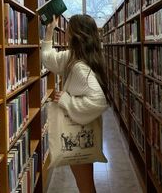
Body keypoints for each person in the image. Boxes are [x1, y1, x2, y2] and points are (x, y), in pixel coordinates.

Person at [41, 14, 108, 193]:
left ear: (76, 35)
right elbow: (49, 59)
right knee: (84, 183)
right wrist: (49, 33)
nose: (66, 34)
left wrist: (66, 101)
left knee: (85, 185)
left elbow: (99, 101)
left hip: (79, 131)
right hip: (82, 129)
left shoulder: (79, 67)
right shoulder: (76, 58)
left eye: (68, 31)